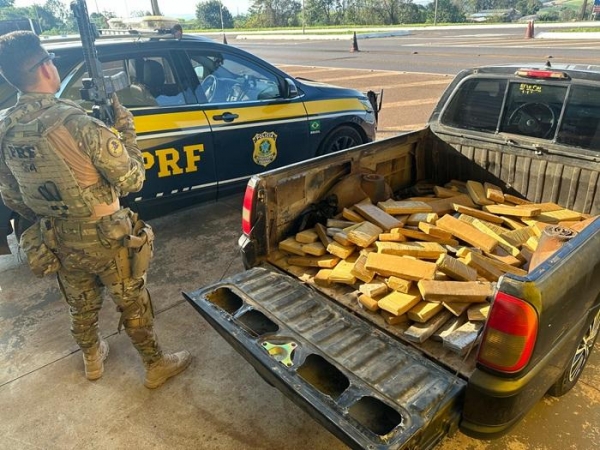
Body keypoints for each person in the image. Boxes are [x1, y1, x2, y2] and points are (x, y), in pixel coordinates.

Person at [0, 31, 191, 389]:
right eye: (51, 61)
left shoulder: (5, 129)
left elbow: (11, 195)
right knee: (132, 302)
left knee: (80, 302)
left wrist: (57, 210)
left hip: (58, 236)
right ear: (43, 68)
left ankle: (92, 360)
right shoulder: (77, 123)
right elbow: (133, 179)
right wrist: (126, 132)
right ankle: (154, 365)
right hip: (107, 236)